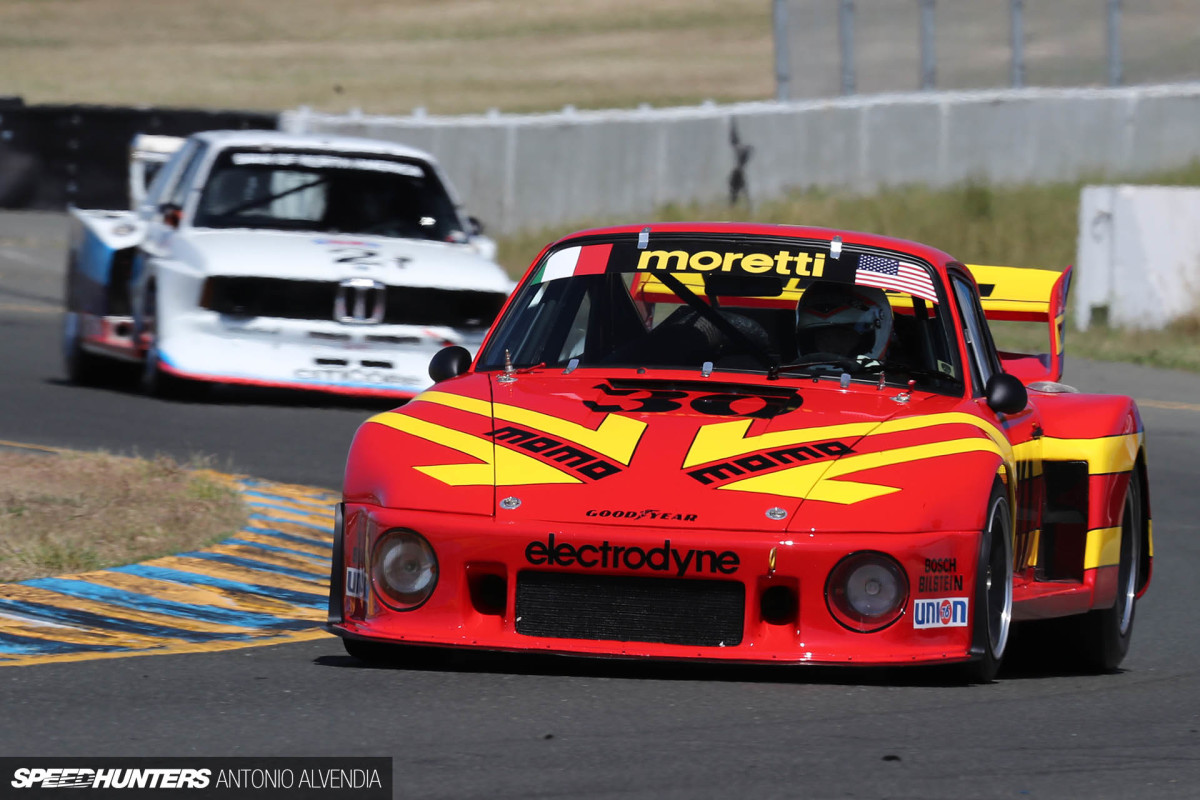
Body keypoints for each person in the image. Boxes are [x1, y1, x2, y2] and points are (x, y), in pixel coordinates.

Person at [794, 281, 893, 364]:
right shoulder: (789, 377)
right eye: (823, 337)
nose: (831, 345)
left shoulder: (897, 383)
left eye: (841, 336)